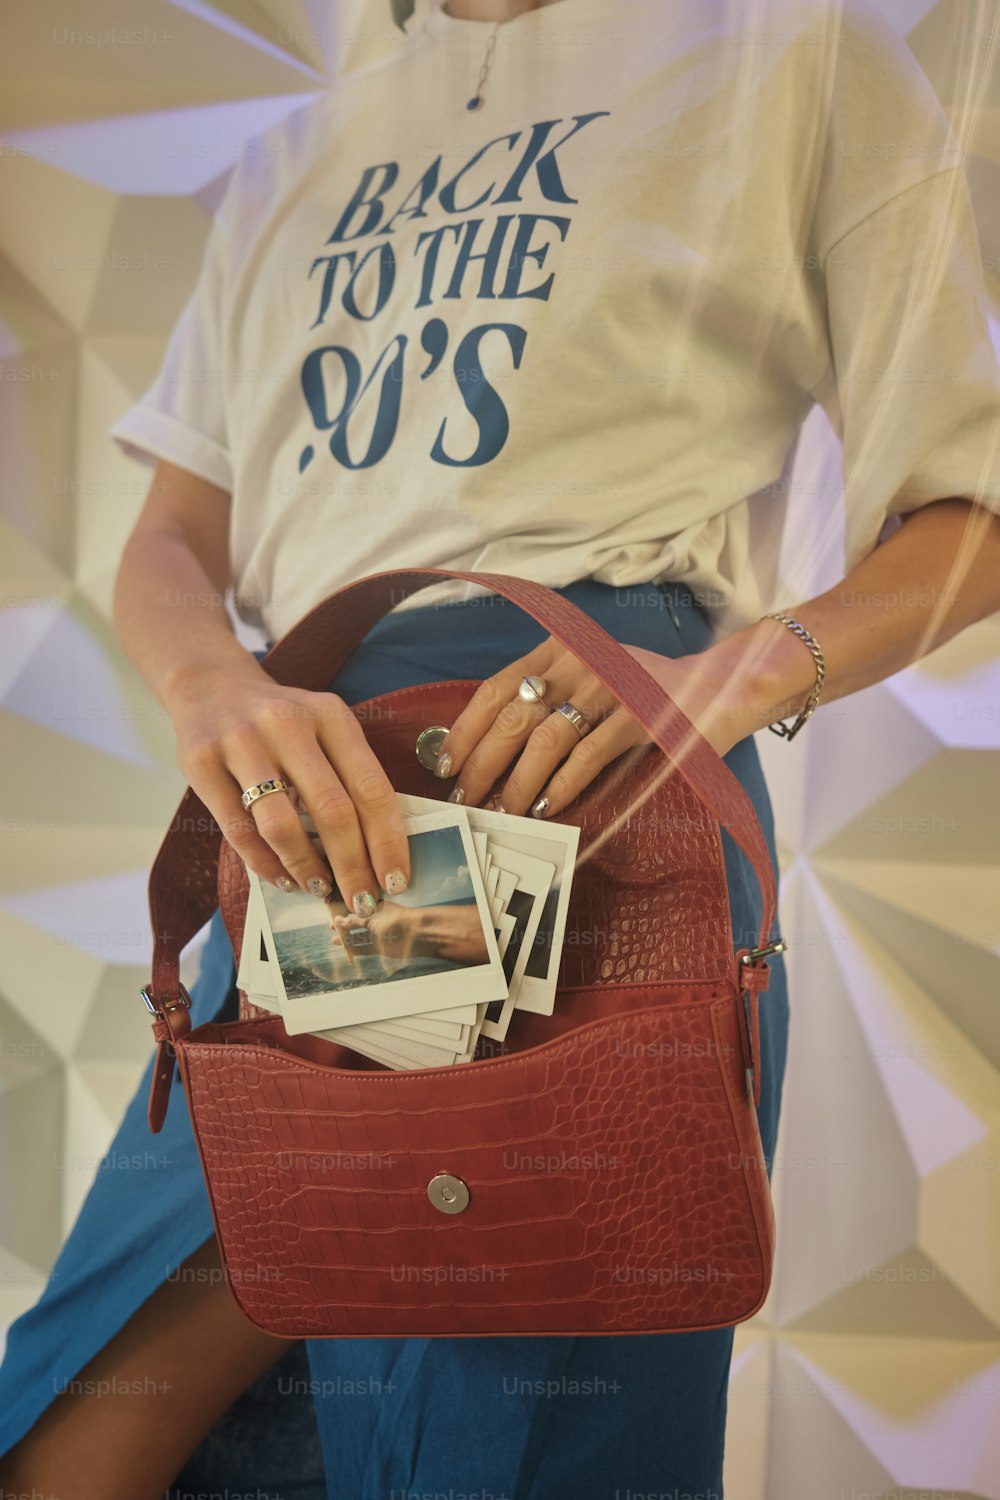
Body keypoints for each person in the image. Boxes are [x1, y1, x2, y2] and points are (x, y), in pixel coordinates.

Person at [3, 0, 1000, 1495]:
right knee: (86, 1424)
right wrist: (219, 693)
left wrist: (726, 677)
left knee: (500, 1435)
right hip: (310, 825)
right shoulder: (295, 150)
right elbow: (171, 533)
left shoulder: (789, 54)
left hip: (588, 799)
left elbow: (969, 511)